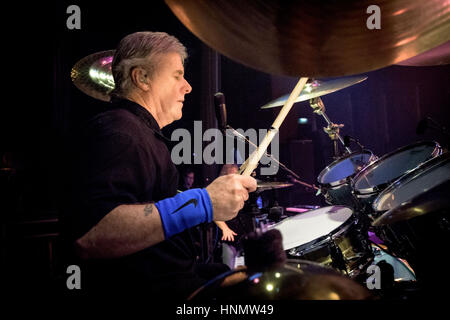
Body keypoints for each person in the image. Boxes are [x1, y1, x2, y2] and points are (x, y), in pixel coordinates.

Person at [61, 31, 256, 298]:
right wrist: (203, 203)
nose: (187, 86)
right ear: (141, 78)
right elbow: (90, 236)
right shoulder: (120, 132)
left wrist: (215, 199)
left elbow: (147, 207)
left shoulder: (140, 133)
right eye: (177, 75)